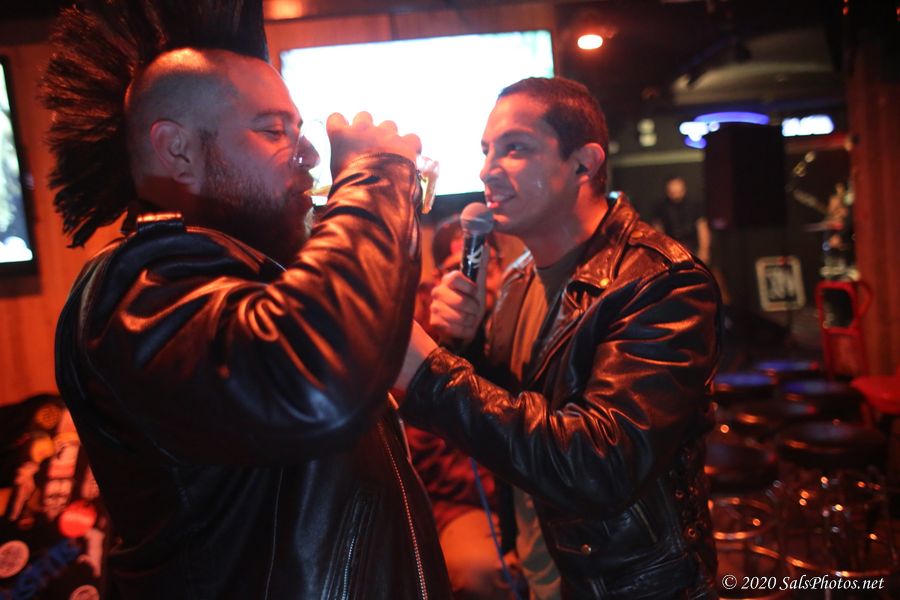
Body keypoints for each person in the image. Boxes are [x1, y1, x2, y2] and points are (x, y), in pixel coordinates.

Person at [42, 2, 451, 598]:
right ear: (177, 150)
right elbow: (315, 383)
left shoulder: (245, 277)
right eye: (272, 130)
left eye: (298, 129)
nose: (309, 154)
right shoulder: (133, 287)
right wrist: (374, 174)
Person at [396, 77, 721, 599]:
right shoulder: (518, 280)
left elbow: (601, 465)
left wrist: (429, 373)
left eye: (515, 148)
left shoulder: (661, 283)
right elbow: (521, 408)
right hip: (541, 569)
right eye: (485, 150)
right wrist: (467, 349)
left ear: (583, 165)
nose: (486, 170)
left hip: (627, 585)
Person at [408, 218, 517, 599]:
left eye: (487, 264)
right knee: (480, 571)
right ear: (439, 279)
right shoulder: (423, 340)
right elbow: (424, 456)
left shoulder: (520, 323)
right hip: (464, 503)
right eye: (461, 267)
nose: (476, 279)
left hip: (527, 492)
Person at [651, 175, 711, 265]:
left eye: (678, 190)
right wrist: (661, 253)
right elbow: (658, 231)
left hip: (692, 248)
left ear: (683, 189)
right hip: (670, 249)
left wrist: (704, 250)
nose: (675, 194)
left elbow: (702, 228)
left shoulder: (694, 205)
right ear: (667, 191)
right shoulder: (660, 207)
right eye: (672, 191)